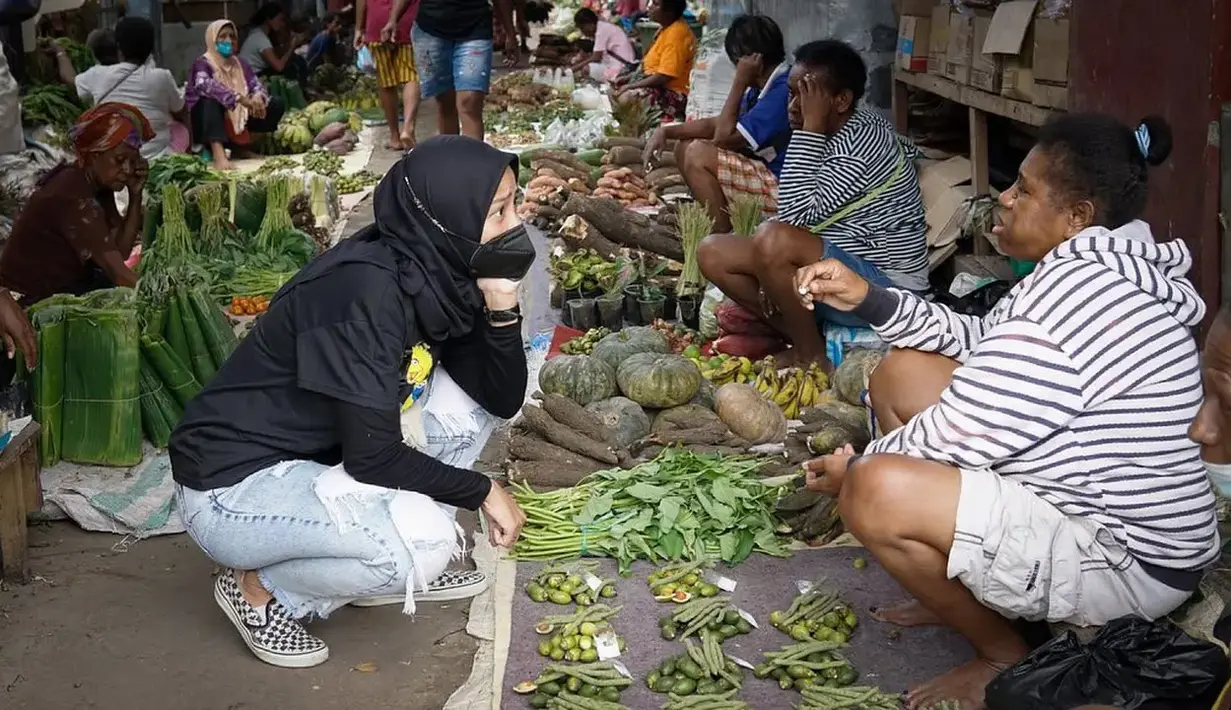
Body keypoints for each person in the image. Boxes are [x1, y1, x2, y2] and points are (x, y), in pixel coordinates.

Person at [796, 113, 1217, 710]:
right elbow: (978, 341)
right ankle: (960, 587)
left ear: (1078, 217)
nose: (1006, 198)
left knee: (876, 491)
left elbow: (960, 430)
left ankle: (1000, 654)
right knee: (904, 372)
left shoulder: (1078, 298)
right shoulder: (1091, 268)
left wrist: (857, 469)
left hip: (1127, 562)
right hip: (1109, 517)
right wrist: (869, 298)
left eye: (1025, 190)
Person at [169, 136, 531, 669]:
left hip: (322, 452)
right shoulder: (366, 292)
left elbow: (500, 398)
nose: (516, 224)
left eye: (515, 204)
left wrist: (501, 306)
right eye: (499, 211)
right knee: (419, 546)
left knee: (467, 407)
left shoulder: (439, 270)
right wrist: (483, 490)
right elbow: (373, 457)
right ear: (446, 215)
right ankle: (260, 589)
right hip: (232, 488)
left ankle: (386, 560)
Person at [697, 39, 928, 369]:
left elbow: (792, 219)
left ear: (842, 100)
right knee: (712, 252)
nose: (793, 106)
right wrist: (769, 273)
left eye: (806, 97)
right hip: (838, 265)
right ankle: (807, 338)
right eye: (791, 93)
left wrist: (811, 129)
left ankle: (811, 356)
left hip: (885, 289)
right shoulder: (837, 128)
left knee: (774, 241)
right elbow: (792, 217)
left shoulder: (859, 146)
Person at [643, 14, 789, 232]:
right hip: (764, 174)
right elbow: (718, 123)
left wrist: (739, 82)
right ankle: (713, 217)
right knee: (684, 145)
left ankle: (720, 234)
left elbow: (723, 137)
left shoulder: (781, 90)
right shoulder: (761, 88)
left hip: (782, 191)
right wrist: (666, 132)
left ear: (752, 60)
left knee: (698, 153)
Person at [0, 103, 150, 307]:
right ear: (95, 155)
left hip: (65, 289)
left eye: (132, 161)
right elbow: (119, 274)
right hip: (26, 302)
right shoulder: (73, 195)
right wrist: (165, 297)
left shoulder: (99, 185)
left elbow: (121, 250)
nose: (127, 169)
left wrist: (135, 193)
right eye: (120, 160)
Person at [55, 17, 188, 160]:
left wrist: (60, 52)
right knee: (177, 128)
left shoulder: (98, 74)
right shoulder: (162, 77)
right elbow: (182, 112)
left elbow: (69, 78)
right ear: (151, 48)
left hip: (115, 160)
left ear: (118, 48)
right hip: (159, 158)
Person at [386, 0, 518, 139]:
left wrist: (510, 32)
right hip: (431, 31)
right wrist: (393, 20)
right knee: (446, 102)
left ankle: (472, 152)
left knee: (470, 101)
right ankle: (451, 150)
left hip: (476, 29)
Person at [187, 20, 286, 171]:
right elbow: (205, 85)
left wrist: (257, 96)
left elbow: (255, 84)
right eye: (222, 36)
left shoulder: (240, 64)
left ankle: (240, 147)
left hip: (236, 116)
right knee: (209, 101)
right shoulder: (202, 64)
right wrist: (239, 98)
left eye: (232, 36)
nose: (229, 40)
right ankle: (218, 154)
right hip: (207, 121)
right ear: (212, 39)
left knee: (275, 104)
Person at [611, 0, 695, 122]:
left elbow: (664, 76)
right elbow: (651, 66)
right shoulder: (665, 29)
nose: (649, 7)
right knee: (613, 90)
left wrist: (631, 85)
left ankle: (636, 128)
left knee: (626, 97)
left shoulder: (677, 33)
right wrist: (629, 77)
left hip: (675, 94)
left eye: (656, 4)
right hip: (658, 87)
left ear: (670, 11)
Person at [356, 0, 419, 150]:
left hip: (377, 23)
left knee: (386, 82)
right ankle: (408, 128)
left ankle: (394, 137)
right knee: (411, 76)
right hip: (407, 21)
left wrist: (359, 28)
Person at [239, 2, 309, 84]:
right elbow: (279, 67)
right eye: (279, 20)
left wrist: (292, 44)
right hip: (253, 76)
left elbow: (277, 54)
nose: (282, 24)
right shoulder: (261, 39)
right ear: (269, 19)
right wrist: (292, 47)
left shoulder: (257, 33)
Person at [569, 8, 636, 85]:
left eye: (582, 28)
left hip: (622, 68)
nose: (583, 31)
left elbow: (596, 57)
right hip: (622, 64)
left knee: (587, 68)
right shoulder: (603, 27)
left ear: (589, 23)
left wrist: (574, 68)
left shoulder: (601, 31)